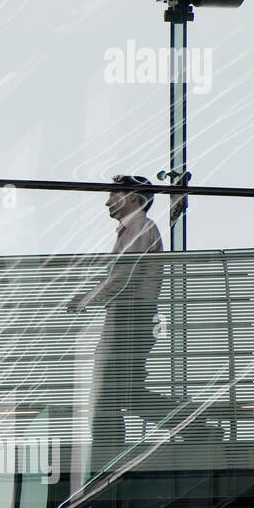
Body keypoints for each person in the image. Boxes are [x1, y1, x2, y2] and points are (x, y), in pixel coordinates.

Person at [65, 175, 168, 473]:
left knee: (105, 396)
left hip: (130, 319)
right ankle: (111, 455)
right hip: (130, 317)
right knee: (124, 394)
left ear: (135, 197)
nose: (108, 201)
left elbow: (124, 277)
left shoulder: (138, 227)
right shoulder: (133, 228)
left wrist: (87, 300)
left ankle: (107, 459)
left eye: (114, 194)